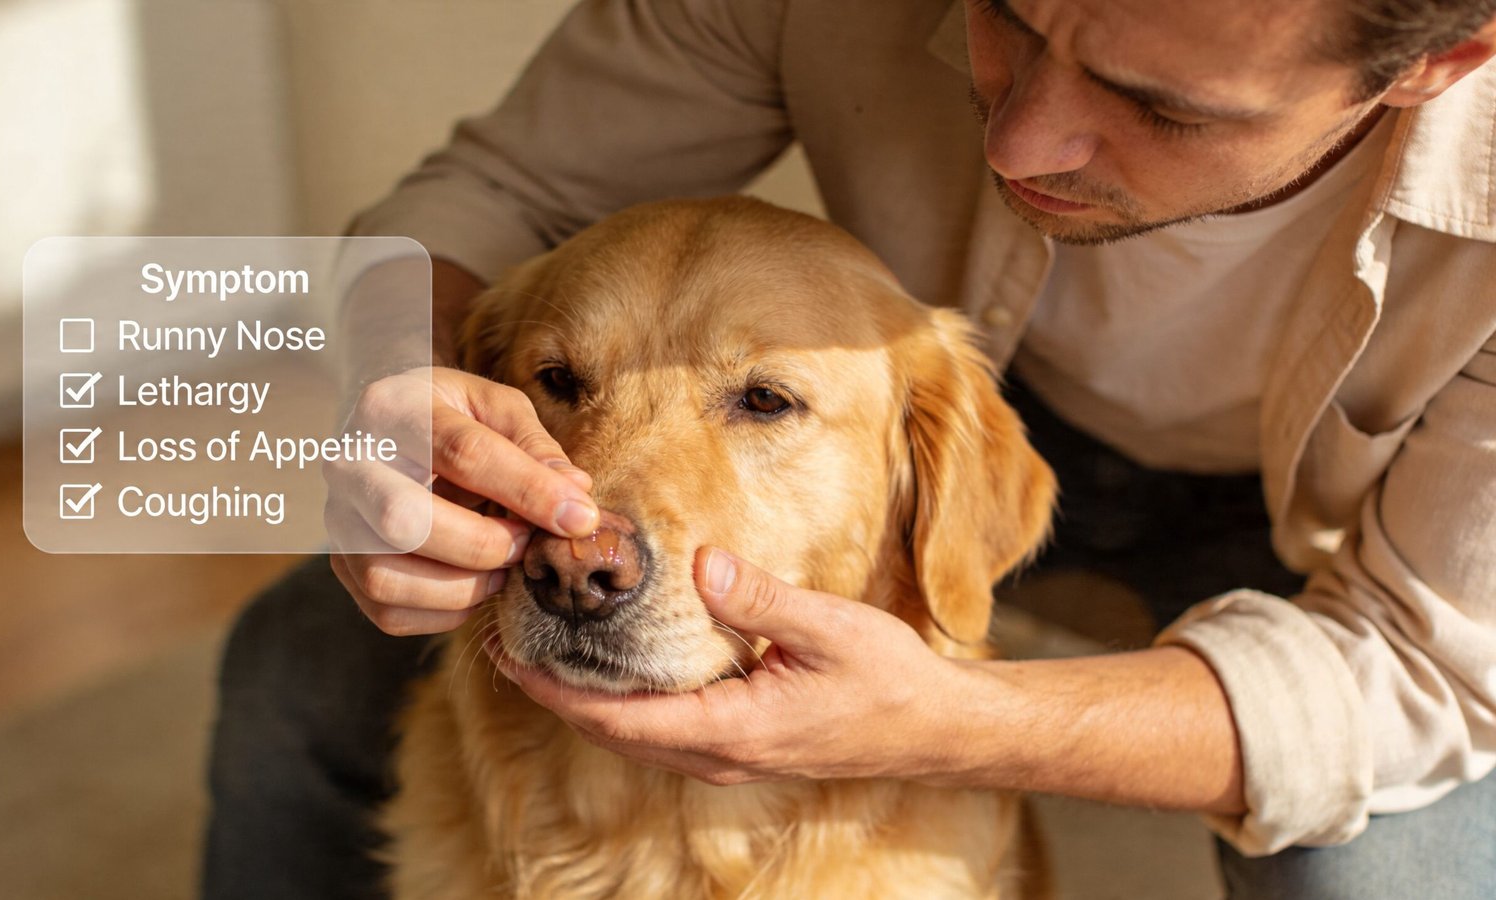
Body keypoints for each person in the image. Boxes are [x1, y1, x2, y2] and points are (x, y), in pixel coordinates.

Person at [202, 1, 1496, 898]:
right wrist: (401, 383)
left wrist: (955, 724)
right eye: (1012, 18)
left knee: (1375, 873)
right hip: (892, 461)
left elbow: (1419, 672)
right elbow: (488, 198)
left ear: (1439, 63)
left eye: (1160, 103)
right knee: (294, 667)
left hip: (1344, 550)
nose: (1021, 143)